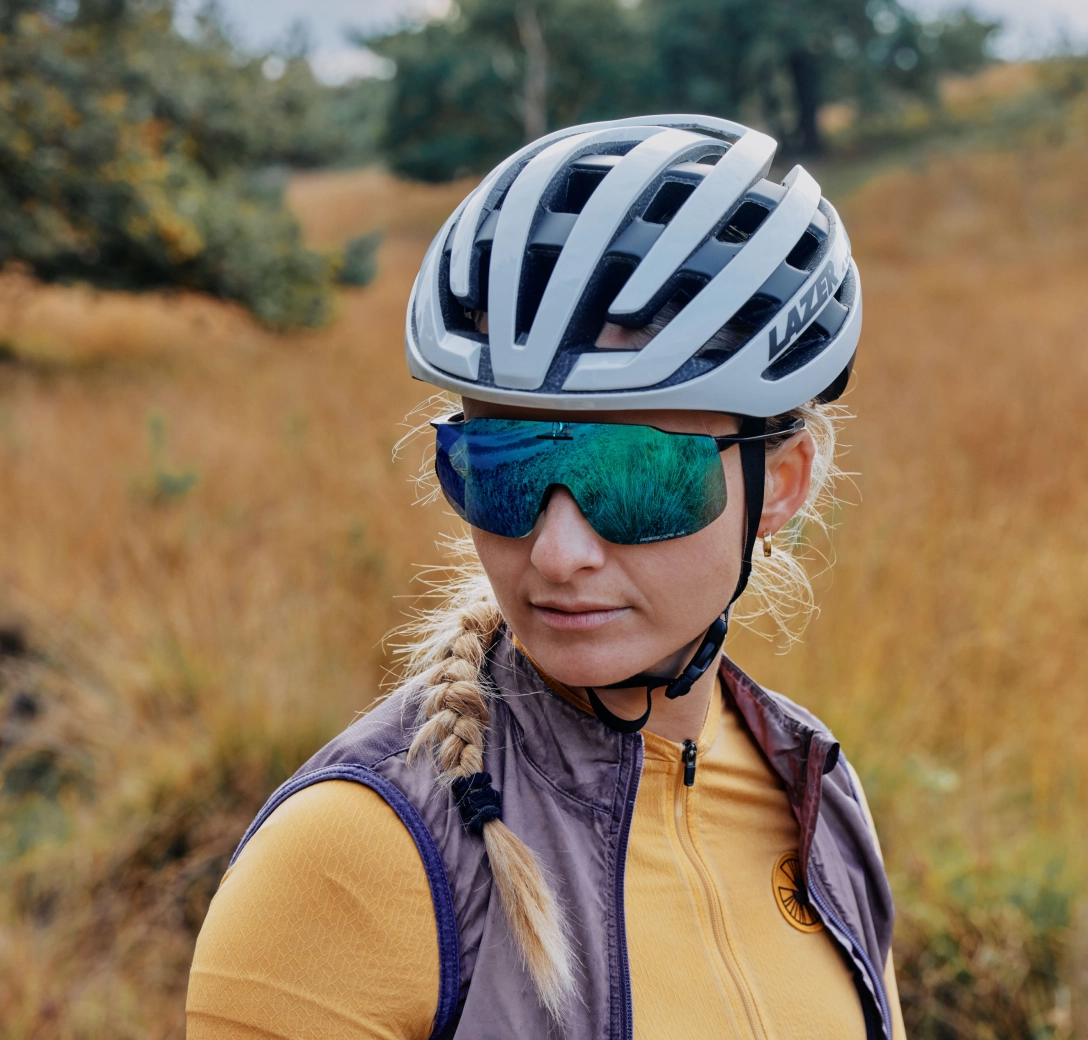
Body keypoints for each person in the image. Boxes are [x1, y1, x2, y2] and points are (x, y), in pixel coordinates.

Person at [185, 114, 903, 1040]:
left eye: (638, 476)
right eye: (504, 465)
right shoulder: (351, 860)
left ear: (783, 485)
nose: (558, 555)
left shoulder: (814, 792)